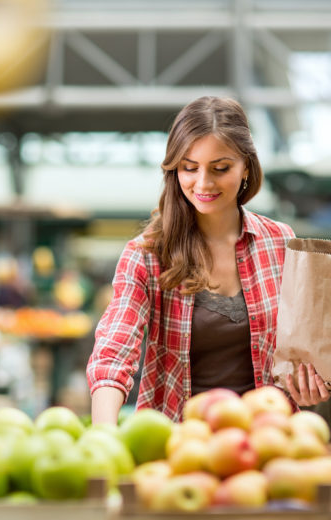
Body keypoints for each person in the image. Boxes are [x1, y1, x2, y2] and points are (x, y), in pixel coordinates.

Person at [86, 96, 330, 424]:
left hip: (267, 441)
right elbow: (115, 347)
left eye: (220, 168)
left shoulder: (279, 243)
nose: (203, 183)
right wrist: (104, 430)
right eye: (189, 167)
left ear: (246, 166)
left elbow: (306, 351)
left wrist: (311, 386)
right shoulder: (147, 253)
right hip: (179, 445)